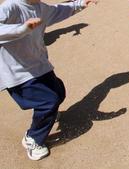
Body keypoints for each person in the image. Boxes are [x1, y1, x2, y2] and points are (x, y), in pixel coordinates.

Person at [0, 0, 97, 160]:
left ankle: (47, 114)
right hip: (17, 72)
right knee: (48, 101)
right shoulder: (10, 7)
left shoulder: (40, 7)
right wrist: (21, 29)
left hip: (38, 64)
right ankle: (32, 138)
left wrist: (80, 4)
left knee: (59, 92)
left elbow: (57, 11)